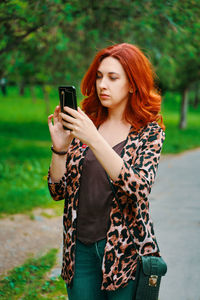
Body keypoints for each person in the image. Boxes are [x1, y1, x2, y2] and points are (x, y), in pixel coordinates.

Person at [47, 43, 165, 300]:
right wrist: (60, 150)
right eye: (100, 76)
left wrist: (94, 139)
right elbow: (58, 191)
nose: (102, 85)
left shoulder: (149, 132)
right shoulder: (86, 123)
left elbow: (138, 190)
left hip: (125, 253)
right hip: (80, 253)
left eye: (113, 78)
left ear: (132, 84)